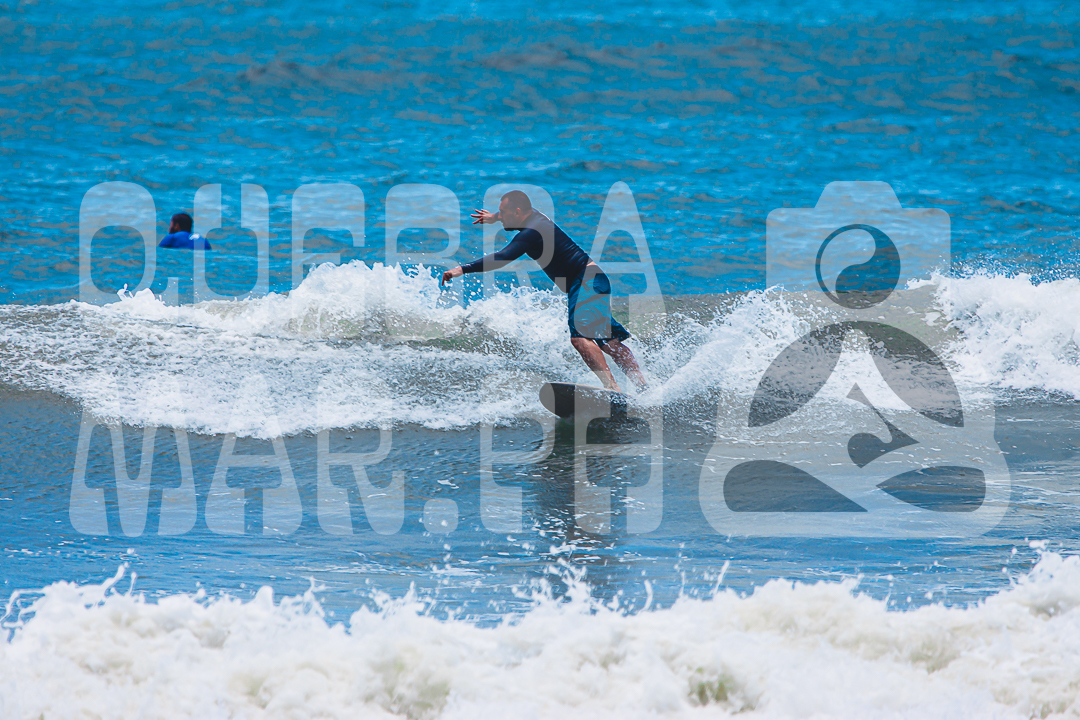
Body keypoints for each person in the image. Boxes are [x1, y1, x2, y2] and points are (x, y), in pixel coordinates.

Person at [441, 190, 647, 392]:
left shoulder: (532, 232)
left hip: (587, 281)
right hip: (593, 280)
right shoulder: (534, 216)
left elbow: (503, 257)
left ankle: (612, 389)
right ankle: (643, 388)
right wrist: (494, 217)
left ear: (518, 212)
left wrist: (462, 270)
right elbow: (513, 214)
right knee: (609, 342)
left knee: (579, 338)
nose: (501, 217)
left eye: (503, 213)